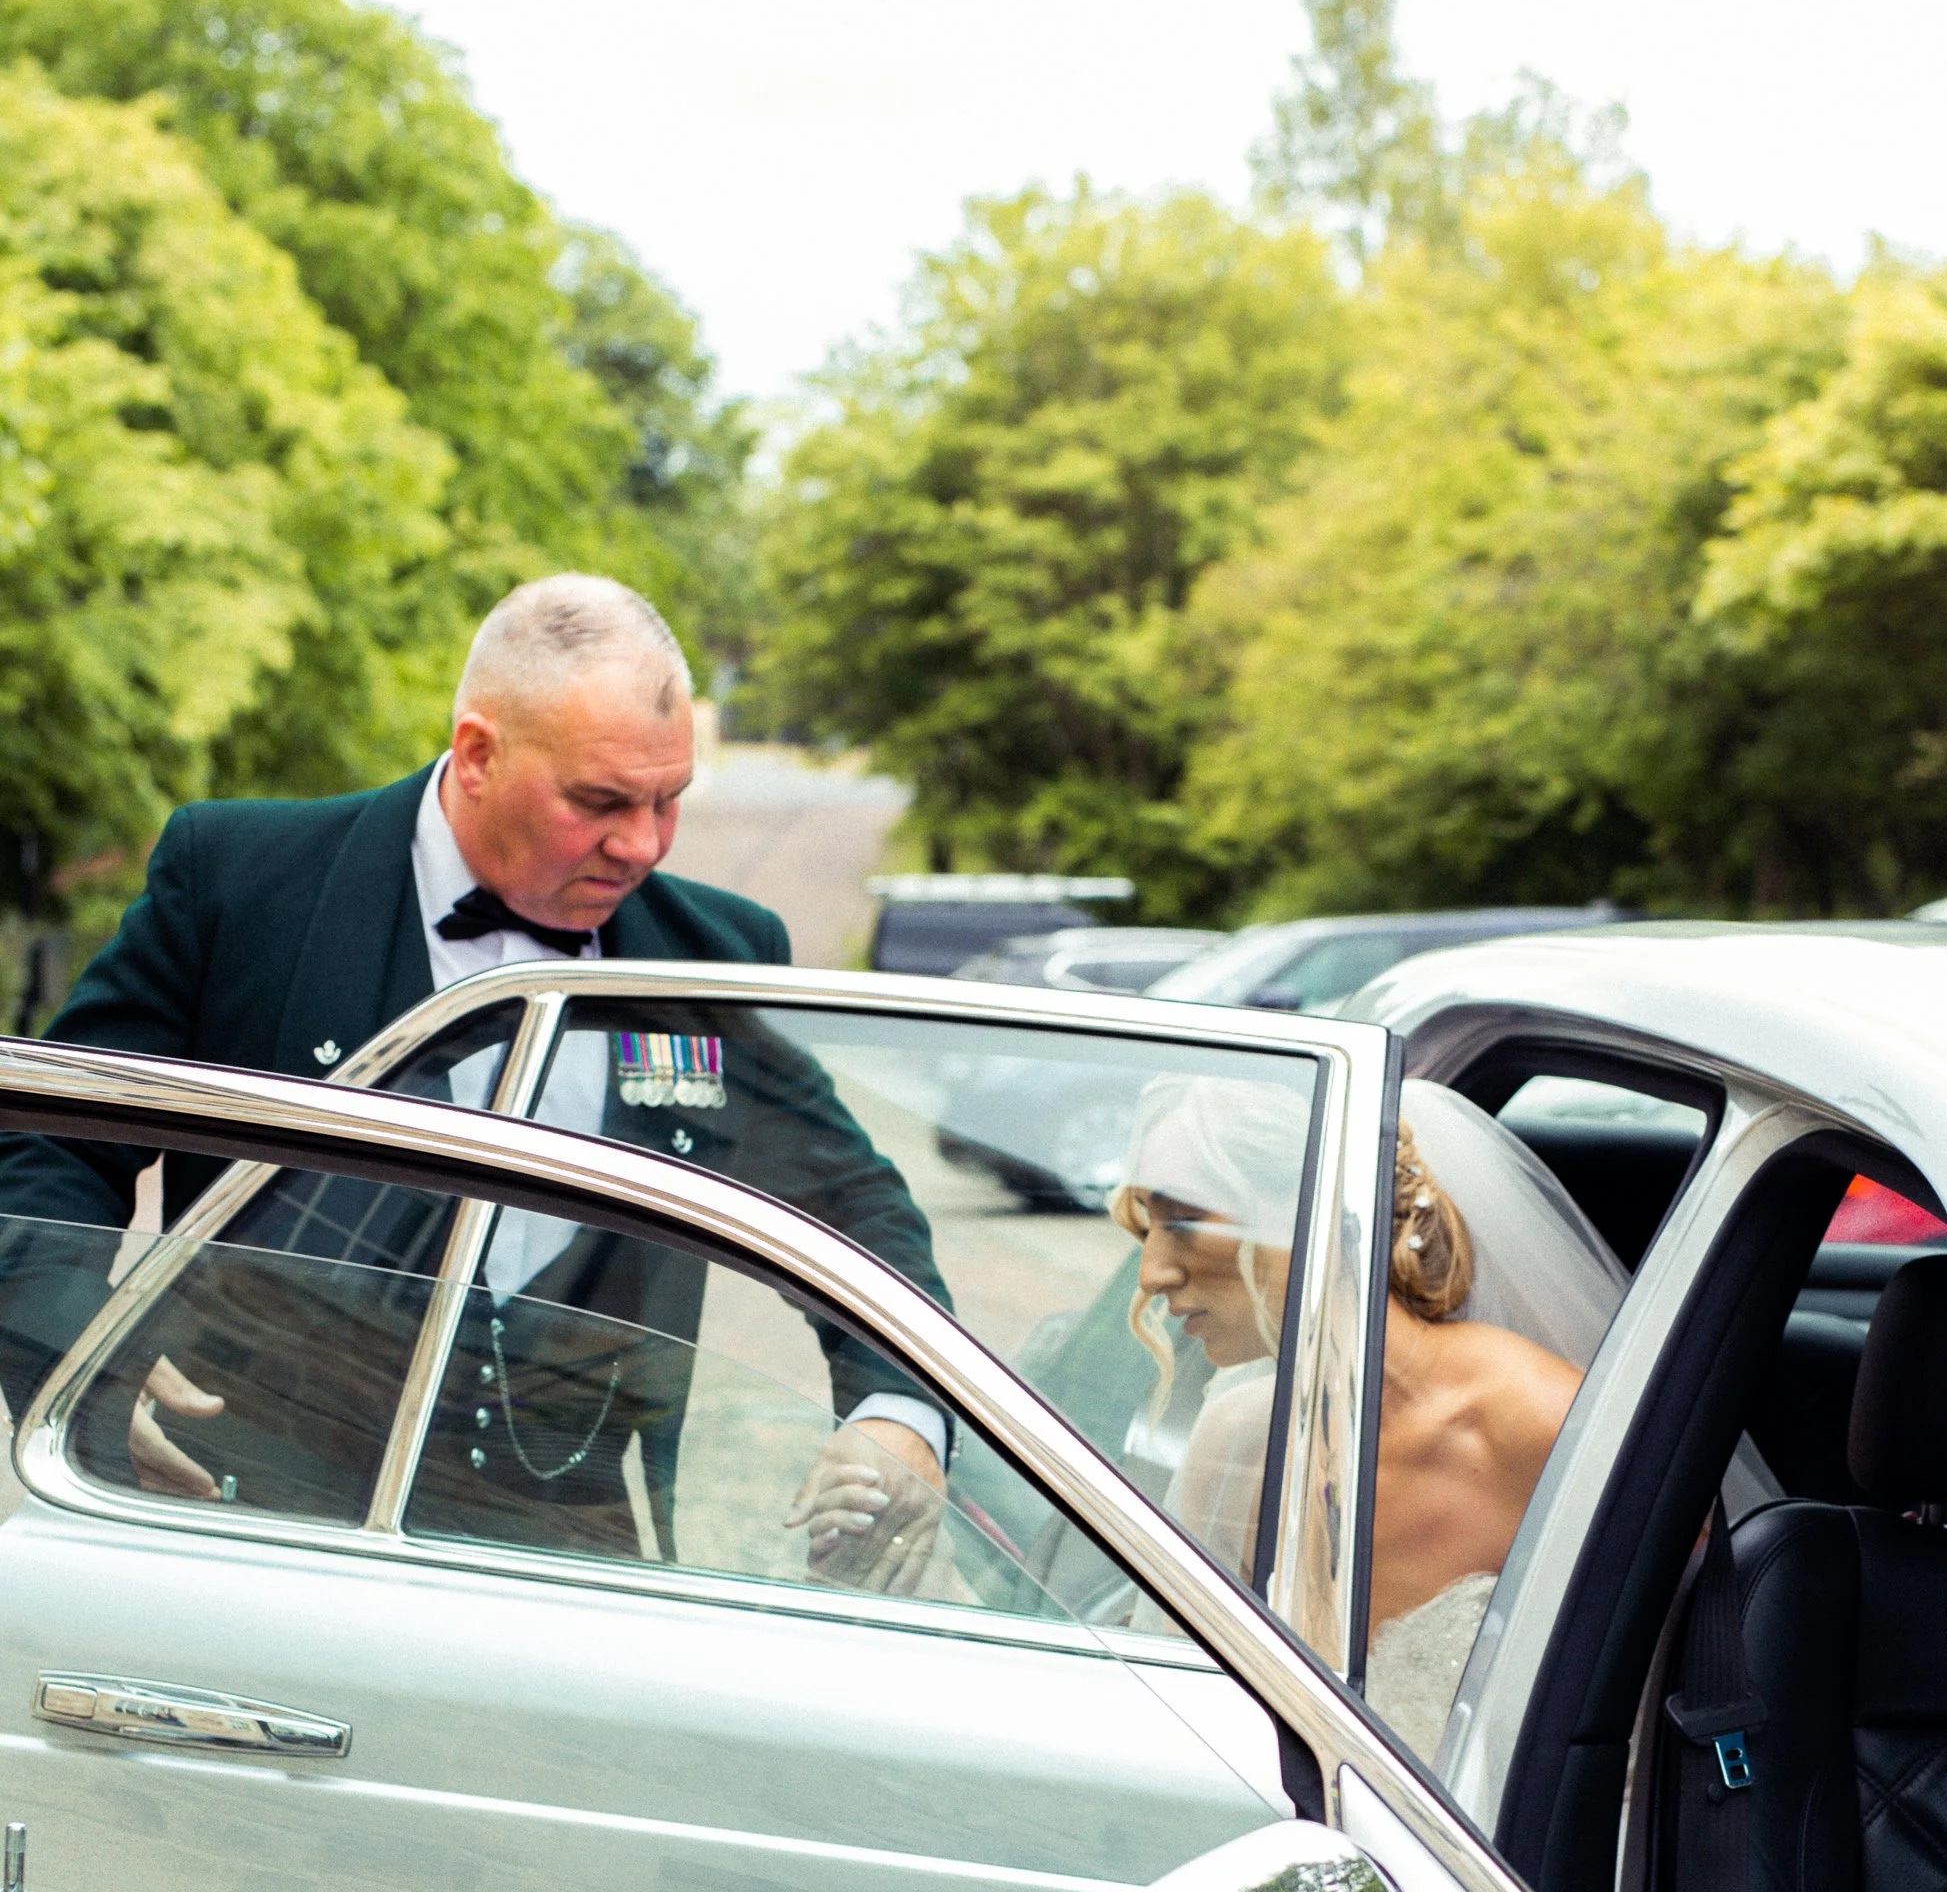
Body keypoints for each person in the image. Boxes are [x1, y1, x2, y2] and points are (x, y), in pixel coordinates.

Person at [0, 574, 946, 1580]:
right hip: (239, 1526)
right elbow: (44, 1141)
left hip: (571, 1565)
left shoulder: (714, 953)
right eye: (600, 802)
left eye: (669, 800)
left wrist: (900, 1416)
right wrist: (80, 1353)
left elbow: (848, 1206)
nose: (643, 845)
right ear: (480, 753)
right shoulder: (240, 885)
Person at [1113, 1071, 1624, 1752]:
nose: (1151, 1274)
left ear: (1314, 1208)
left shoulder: (1547, 1430)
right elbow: (1184, 1728)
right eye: (1147, 1227)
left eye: (1182, 1220)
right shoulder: (1237, 1442)